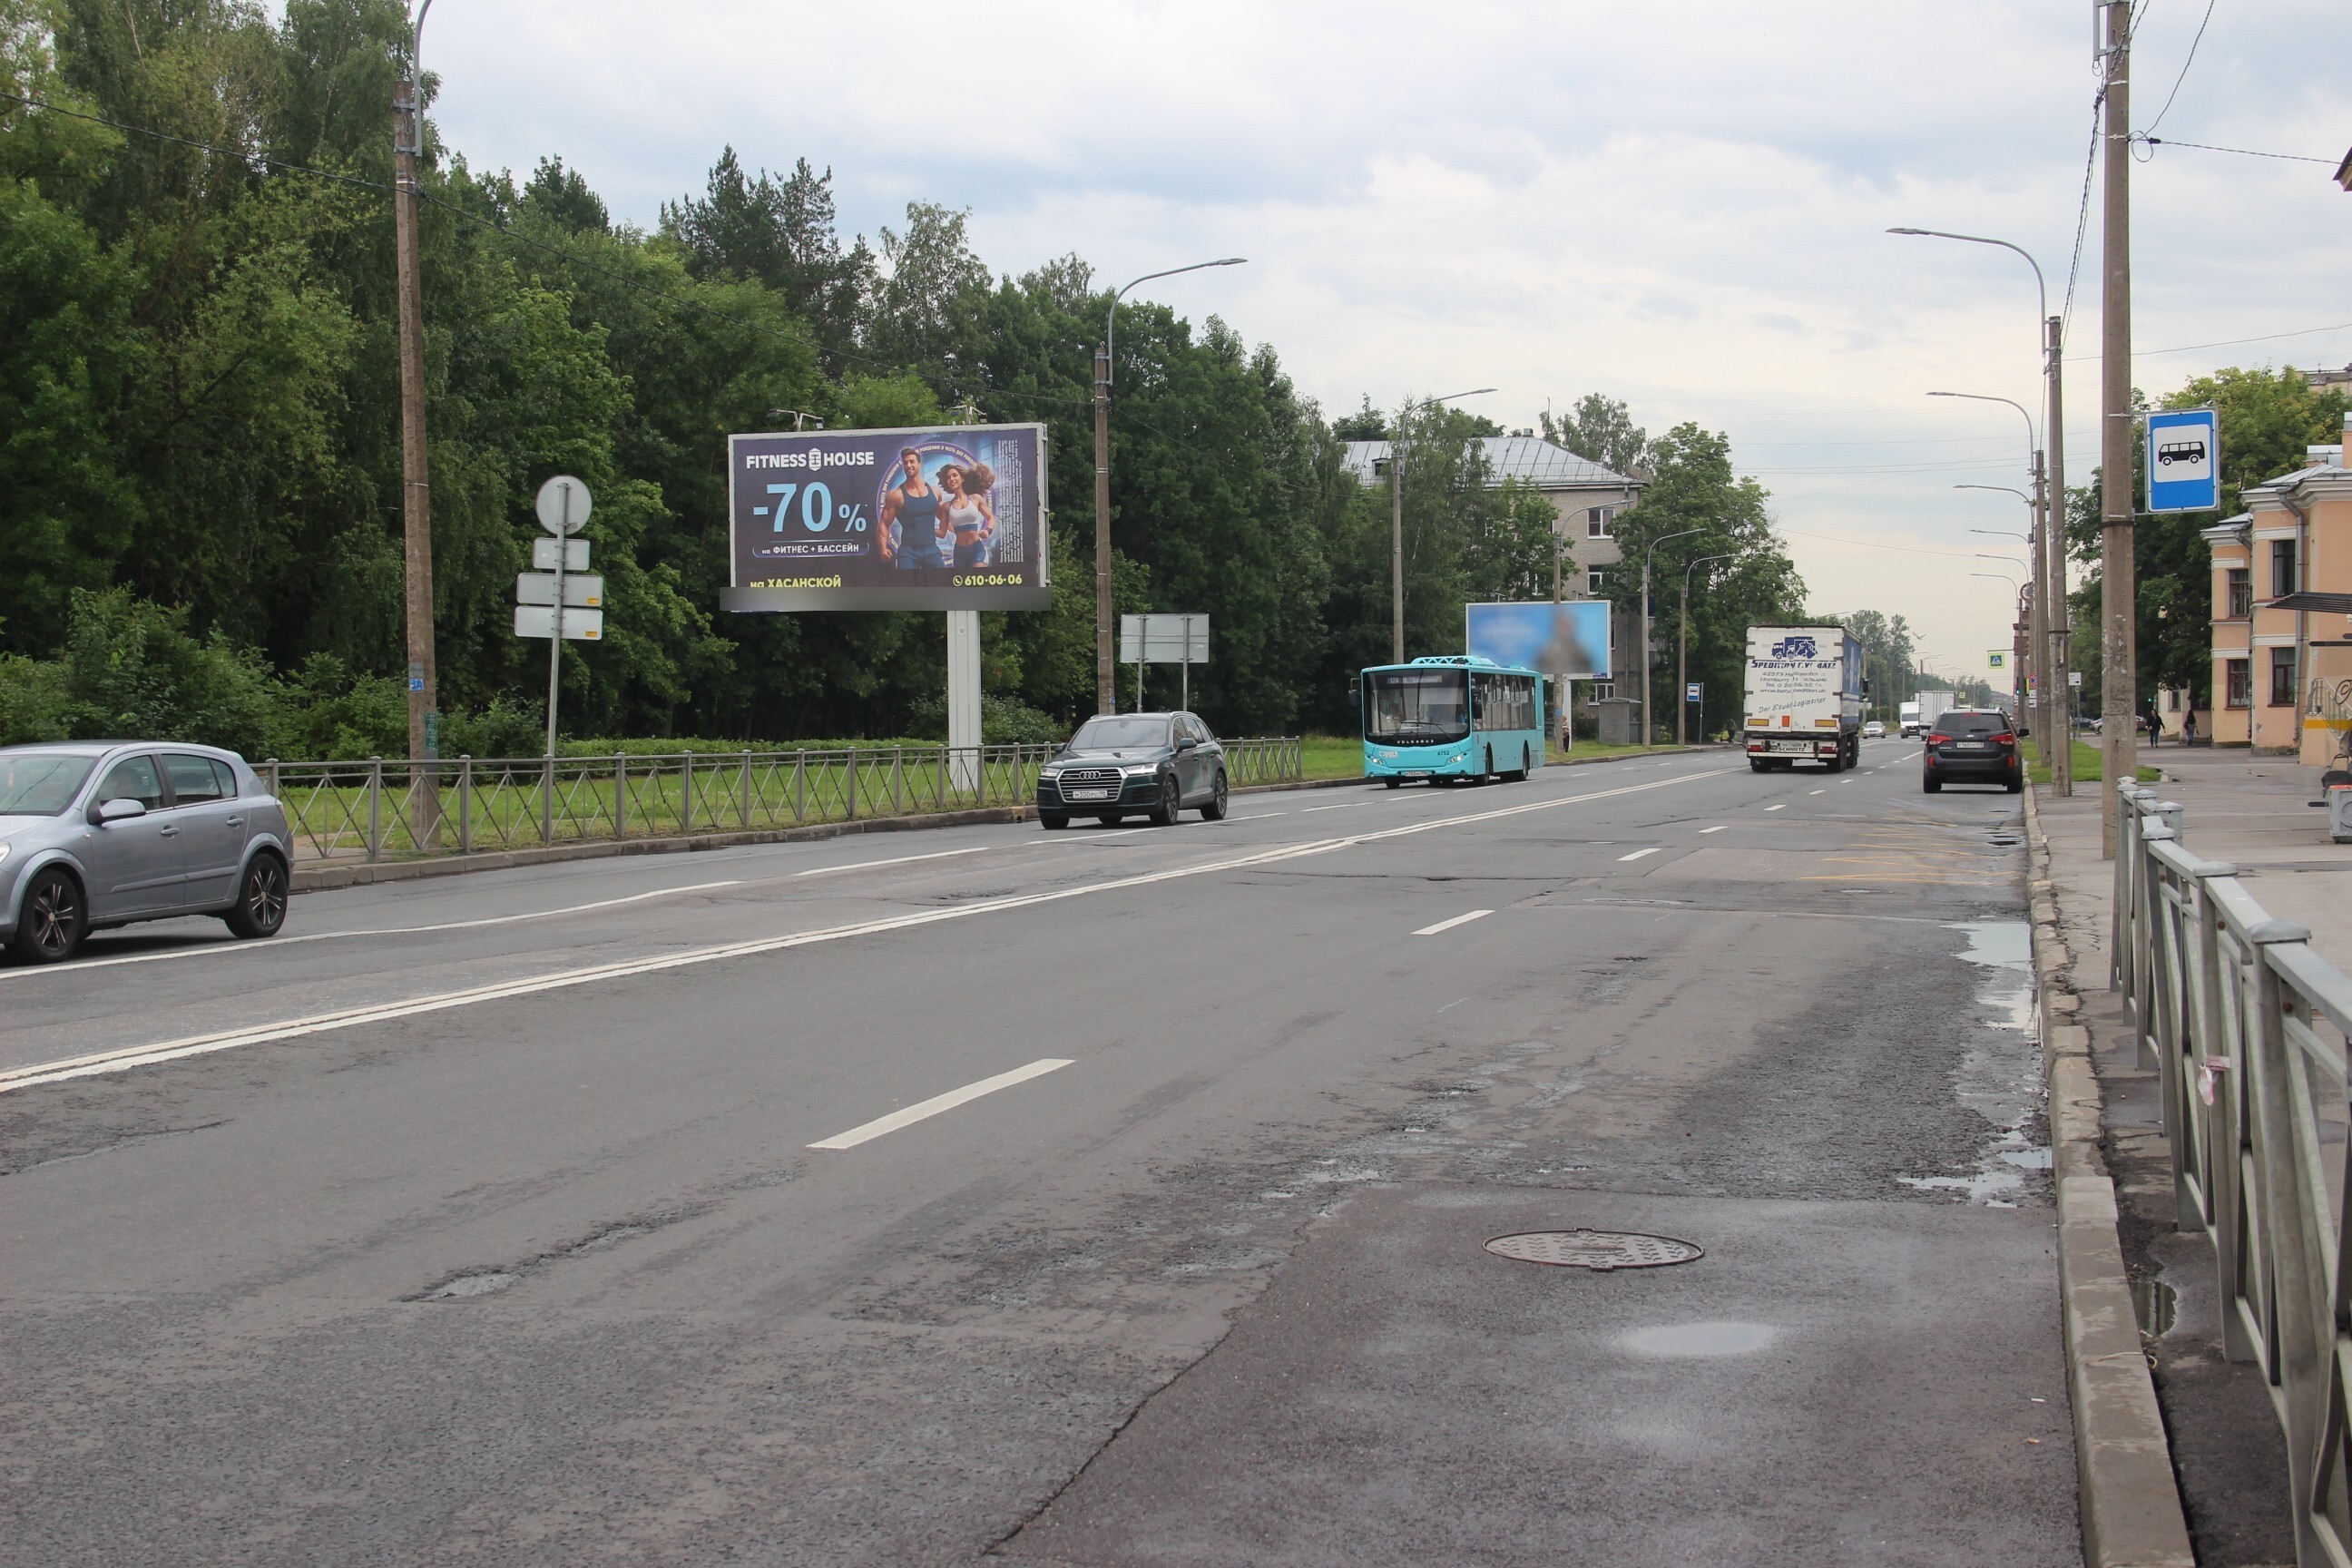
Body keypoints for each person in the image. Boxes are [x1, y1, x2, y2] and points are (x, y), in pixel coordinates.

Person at [877, 447, 944, 570]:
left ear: (919, 464)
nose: (908, 465)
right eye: (905, 463)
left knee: (941, 585)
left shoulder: (935, 492)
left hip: (932, 550)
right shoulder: (896, 495)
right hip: (908, 553)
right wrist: (883, 548)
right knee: (907, 588)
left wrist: (960, 530)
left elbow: (944, 516)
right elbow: (884, 523)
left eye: (912, 461)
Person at [944, 463, 996, 569]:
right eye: (948, 477)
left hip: (977, 549)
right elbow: (944, 527)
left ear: (962, 478)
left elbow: (991, 518)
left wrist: (988, 531)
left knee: (978, 581)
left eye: (955, 475)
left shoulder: (975, 498)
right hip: (959, 553)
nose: (952, 479)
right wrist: (958, 530)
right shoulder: (947, 506)